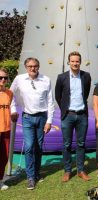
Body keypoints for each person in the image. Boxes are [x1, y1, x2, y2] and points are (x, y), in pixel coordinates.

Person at [10, 57, 55, 190]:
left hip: (42, 117)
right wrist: (13, 109)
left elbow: (50, 101)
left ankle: (36, 173)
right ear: (26, 67)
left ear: (38, 66)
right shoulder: (19, 79)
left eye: (35, 66)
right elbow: (10, 94)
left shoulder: (46, 80)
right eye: (30, 66)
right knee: (29, 146)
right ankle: (30, 177)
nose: (32, 68)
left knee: (38, 146)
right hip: (27, 117)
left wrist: (49, 121)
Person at [55, 51, 91, 182]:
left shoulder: (86, 76)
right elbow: (58, 96)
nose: (75, 63)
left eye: (77, 61)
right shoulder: (61, 77)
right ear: (69, 62)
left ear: (80, 62)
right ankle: (67, 171)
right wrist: (65, 109)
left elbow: (85, 94)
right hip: (68, 116)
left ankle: (81, 170)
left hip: (82, 116)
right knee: (66, 145)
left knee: (81, 144)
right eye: (73, 61)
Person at [0, 68, 13, 190]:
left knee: (4, 157)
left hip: (6, 129)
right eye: (0, 77)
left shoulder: (9, 93)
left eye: (5, 78)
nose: (3, 80)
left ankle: (0, 181)